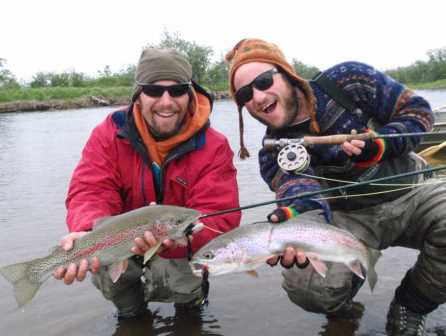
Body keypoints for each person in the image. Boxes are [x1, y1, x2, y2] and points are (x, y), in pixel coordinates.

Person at [225, 38, 445, 336]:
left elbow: (418, 113)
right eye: (244, 94)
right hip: (347, 222)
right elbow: (299, 192)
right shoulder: (272, 153)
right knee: (307, 287)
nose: (258, 96)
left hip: (412, 193)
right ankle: (343, 300)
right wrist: (296, 214)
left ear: (287, 73)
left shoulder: (349, 79)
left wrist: (379, 146)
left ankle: (411, 306)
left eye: (264, 81)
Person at [52, 47, 241, 318]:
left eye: (177, 90)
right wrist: (86, 231)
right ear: (138, 95)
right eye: (153, 90)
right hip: (119, 241)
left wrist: (183, 241)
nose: (166, 101)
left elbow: (220, 217)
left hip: (178, 244)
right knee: (107, 270)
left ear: (189, 93)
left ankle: (190, 313)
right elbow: (91, 190)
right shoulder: (109, 133)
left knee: (185, 292)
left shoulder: (214, 145)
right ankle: (131, 316)